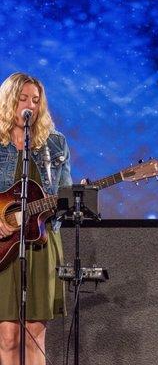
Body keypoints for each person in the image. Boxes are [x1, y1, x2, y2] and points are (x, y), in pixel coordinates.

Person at [0, 72, 72, 365]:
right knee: (7, 337)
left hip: (40, 244)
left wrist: (63, 203)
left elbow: (66, 196)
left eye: (35, 100)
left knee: (33, 335)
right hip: (4, 248)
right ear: (8, 101)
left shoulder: (54, 143)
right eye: (22, 99)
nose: (29, 105)